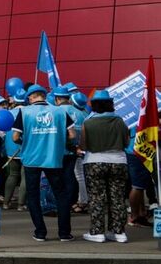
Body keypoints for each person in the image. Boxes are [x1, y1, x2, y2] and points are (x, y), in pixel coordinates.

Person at [13, 84, 75, 242]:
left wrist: (25, 142)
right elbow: (72, 135)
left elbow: (14, 137)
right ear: (44, 95)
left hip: (31, 159)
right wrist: (58, 141)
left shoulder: (24, 112)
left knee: (33, 196)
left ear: (31, 97)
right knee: (60, 194)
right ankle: (64, 233)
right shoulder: (60, 111)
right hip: (53, 157)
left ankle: (40, 232)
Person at [79, 90, 130, 243]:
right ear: (110, 104)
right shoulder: (120, 121)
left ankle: (97, 232)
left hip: (94, 161)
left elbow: (83, 145)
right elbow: (126, 142)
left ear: (94, 105)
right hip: (119, 161)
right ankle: (119, 232)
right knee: (118, 197)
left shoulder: (88, 122)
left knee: (96, 197)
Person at [53, 85, 86, 214]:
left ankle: (61, 203)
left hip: (60, 151)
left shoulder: (56, 112)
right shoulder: (81, 113)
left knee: (59, 178)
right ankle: (71, 201)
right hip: (77, 151)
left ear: (56, 99)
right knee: (72, 177)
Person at [3, 89, 28, 211]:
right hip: (26, 147)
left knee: (12, 175)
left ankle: (6, 202)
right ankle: (20, 204)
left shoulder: (9, 112)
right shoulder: (29, 112)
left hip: (10, 148)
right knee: (25, 177)